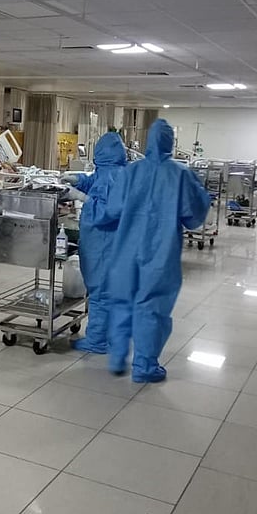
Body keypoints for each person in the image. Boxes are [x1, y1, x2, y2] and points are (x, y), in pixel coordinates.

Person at [97, 119, 210, 382]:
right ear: (170, 141)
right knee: (152, 305)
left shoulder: (130, 172)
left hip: (126, 248)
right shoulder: (181, 174)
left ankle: (117, 355)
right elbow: (194, 216)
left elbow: (112, 210)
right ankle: (144, 366)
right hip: (160, 251)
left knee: (123, 300)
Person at [61, 132, 128, 354]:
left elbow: (107, 210)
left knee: (100, 292)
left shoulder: (112, 176)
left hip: (103, 242)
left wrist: (80, 197)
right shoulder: (113, 171)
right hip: (109, 242)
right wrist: (78, 180)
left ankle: (97, 341)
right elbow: (95, 182)